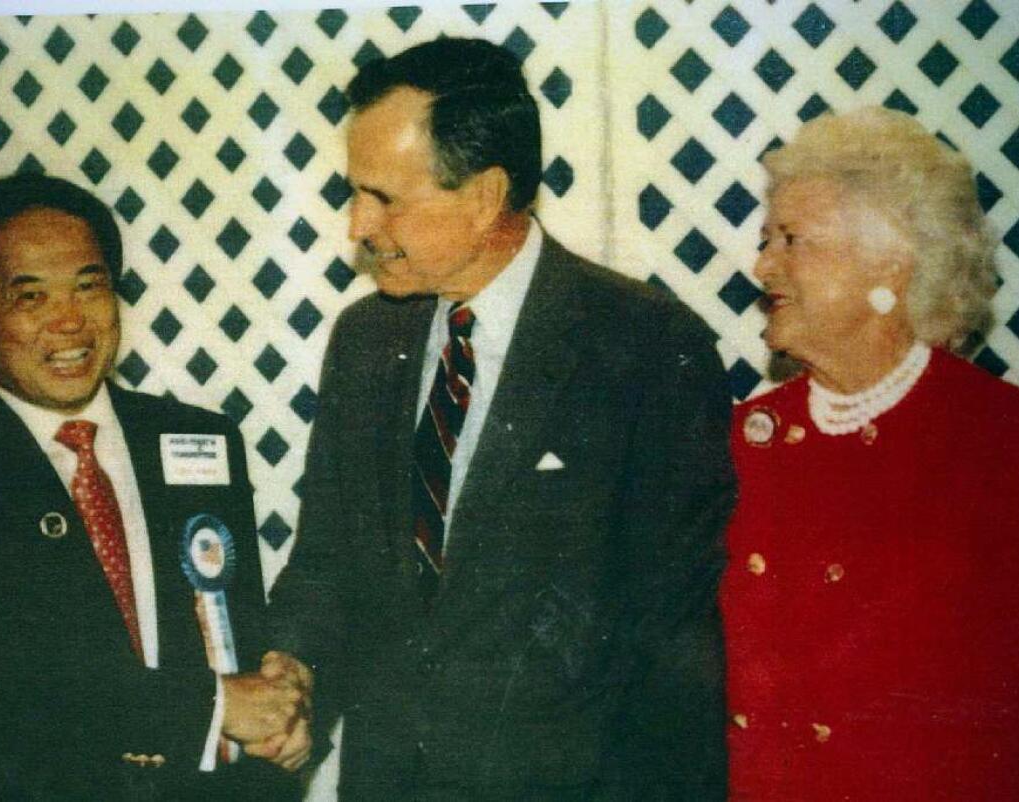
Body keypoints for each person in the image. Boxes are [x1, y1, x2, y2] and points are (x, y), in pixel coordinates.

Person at [266, 37, 736, 800]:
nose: (357, 225)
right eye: (355, 192)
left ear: (484, 196)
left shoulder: (645, 348)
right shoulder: (364, 342)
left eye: (384, 196)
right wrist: (292, 671)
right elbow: (326, 565)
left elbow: (673, 651)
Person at [0, 173, 310, 799]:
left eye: (89, 288)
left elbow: (235, 628)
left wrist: (281, 717)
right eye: (32, 298)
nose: (70, 322)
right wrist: (207, 709)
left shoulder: (198, 440)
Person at [722, 107, 1019, 799]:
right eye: (766, 239)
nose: (762, 265)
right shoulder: (740, 443)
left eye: (793, 240)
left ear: (892, 265)